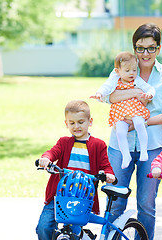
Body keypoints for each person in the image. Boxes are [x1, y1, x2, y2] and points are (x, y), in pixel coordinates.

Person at [104, 23, 162, 240]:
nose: (145, 53)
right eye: (140, 48)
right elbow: (108, 96)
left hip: (153, 147)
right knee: (115, 202)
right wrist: (137, 91)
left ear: (158, 49)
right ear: (134, 48)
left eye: (150, 48)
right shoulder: (124, 68)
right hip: (120, 147)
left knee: (146, 206)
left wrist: (144, 121)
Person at [35, 100, 116, 240]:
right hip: (59, 195)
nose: (76, 126)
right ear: (66, 124)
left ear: (89, 122)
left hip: (82, 197)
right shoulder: (64, 142)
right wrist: (46, 159)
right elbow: (53, 152)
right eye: (72, 123)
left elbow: (105, 165)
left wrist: (109, 174)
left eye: (80, 122)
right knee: (43, 227)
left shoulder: (98, 145)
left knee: (74, 233)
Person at [90, 51, 155, 169]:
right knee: (120, 132)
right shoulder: (115, 79)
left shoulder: (137, 80)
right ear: (117, 71)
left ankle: (144, 150)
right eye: (127, 70)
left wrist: (150, 94)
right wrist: (99, 93)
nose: (132, 73)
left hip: (135, 109)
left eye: (134, 70)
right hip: (120, 111)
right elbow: (106, 87)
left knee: (140, 124)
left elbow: (149, 88)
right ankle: (126, 155)